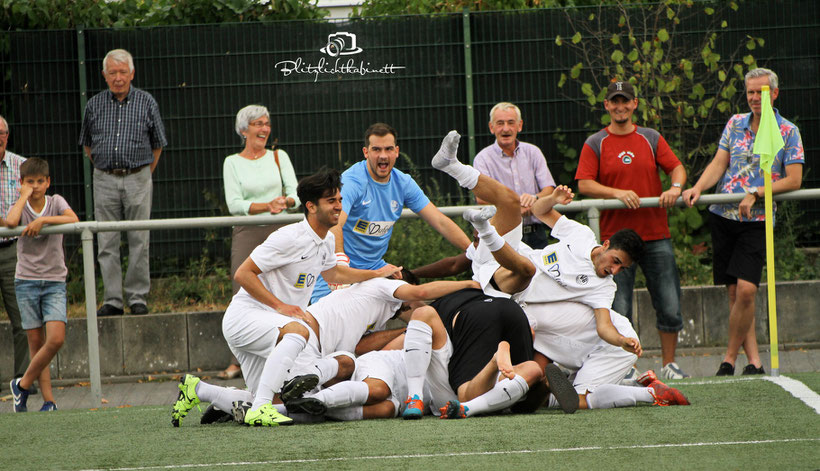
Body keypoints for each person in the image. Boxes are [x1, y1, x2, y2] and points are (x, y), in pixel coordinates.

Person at [433, 131, 690, 410]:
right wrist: (552, 197)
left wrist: (622, 340)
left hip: (510, 285)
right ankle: (450, 165)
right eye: (615, 260)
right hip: (501, 262)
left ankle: (484, 229)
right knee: (510, 202)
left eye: (622, 268)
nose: (614, 270)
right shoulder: (580, 235)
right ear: (605, 244)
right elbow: (541, 212)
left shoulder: (605, 286)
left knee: (528, 272)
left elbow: (604, 325)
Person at [171, 168, 401, 427]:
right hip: (244, 318)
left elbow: (334, 272)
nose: (338, 206)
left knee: (279, 400)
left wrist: (377, 273)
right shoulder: (289, 237)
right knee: (297, 333)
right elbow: (243, 274)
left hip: (269, 327)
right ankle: (259, 409)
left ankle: (199, 390)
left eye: (339, 200)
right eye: (331, 201)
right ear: (311, 206)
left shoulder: (325, 241)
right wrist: (281, 307)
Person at [682, 68, 804, 377]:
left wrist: (757, 191)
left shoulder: (787, 130)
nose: (754, 98)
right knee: (735, 294)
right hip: (724, 216)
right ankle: (755, 363)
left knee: (747, 290)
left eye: (760, 92)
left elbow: (794, 180)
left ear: (774, 93)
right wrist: (698, 187)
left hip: (757, 220)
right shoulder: (735, 123)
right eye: (750, 92)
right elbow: (720, 163)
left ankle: (728, 359)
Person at [575, 80, 689, 380]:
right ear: (607, 106)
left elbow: (676, 168)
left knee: (669, 302)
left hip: (655, 236)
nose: (620, 107)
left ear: (635, 104)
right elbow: (584, 184)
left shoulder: (650, 137)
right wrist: (616, 193)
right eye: (615, 101)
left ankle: (670, 364)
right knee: (618, 307)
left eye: (625, 101)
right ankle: (626, 364)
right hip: (617, 244)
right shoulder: (596, 142)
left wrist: (675, 188)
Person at [309, 123, 471, 303]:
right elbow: (335, 222)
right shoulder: (352, 180)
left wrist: (472, 249)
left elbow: (440, 221)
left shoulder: (404, 182)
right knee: (344, 329)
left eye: (388, 149)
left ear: (397, 151)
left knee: (424, 315)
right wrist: (339, 261)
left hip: (376, 269)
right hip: (339, 272)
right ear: (366, 152)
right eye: (376, 149)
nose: (383, 155)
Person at [78, 48, 167, 316]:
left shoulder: (147, 101)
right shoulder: (93, 104)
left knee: (140, 238)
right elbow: (88, 145)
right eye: (112, 72)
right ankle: (113, 300)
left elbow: (158, 144)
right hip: (104, 178)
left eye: (123, 72)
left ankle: (138, 298)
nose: (118, 77)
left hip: (139, 177)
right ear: (104, 75)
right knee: (106, 241)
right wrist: (107, 170)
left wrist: (143, 173)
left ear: (132, 73)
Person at [219, 104, 300, 380]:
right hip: (248, 231)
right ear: (244, 130)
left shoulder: (279, 156)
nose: (264, 129)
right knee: (241, 290)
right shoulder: (232, 162)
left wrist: (285, 202)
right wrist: (267, 205)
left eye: (266, 123)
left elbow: (296, 195)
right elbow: (234, 204)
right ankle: (237, 360)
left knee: (286, 289)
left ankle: (291, 350)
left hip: (281, 230)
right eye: (258, 124)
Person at [6, 157, 79, 412]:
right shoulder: (22, 204)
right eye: (30, 182)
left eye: (39, 181)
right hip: (25, 281)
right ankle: (49, 402)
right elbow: (12, 221)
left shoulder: (56, 202)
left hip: (54, 281)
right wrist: (22, 196)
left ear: (48, 182)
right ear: (22, 183)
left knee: (55, 339)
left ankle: (22, 384)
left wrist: (44, 221)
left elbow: (73, 219)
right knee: (36, 344)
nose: (35, 186)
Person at [473, 102, 555, 249]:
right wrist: (517, 205)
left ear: (520, 125)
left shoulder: (533, 152)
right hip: (502, 235)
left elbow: (549, 189)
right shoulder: (482, 159)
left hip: (536, 235)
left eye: (511, 122)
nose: (506, 128)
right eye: (500, 123)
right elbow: (482, 198)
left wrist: (534, 198)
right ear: (491, 127)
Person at [0, 115, 30, 387]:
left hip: (13, 251)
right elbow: (10, 219)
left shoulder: (22, 166)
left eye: (0, 133)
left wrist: (10, 220)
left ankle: (22, 380)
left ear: (7, 136)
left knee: (21, 319)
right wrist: (7, 220)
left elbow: (32, 210)